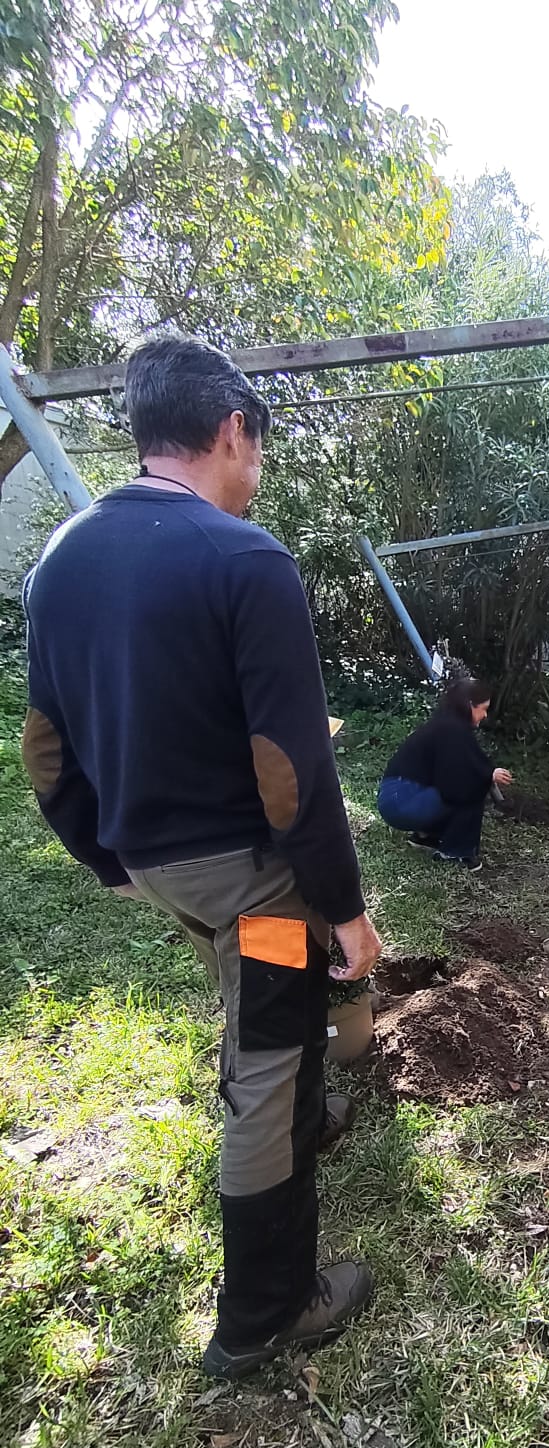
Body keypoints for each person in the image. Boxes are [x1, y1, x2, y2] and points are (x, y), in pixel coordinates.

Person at [22, 334, 382, 1380]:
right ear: (232, 430)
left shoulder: (61, 559)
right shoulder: (244, 557)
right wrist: (344, 908)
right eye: (256, 450)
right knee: (260, 1069)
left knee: (264, 1018)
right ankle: (266, 1312)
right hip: (250, 883)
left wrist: (105, 856)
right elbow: (288, 772)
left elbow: (43, 746)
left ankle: (316, 1109)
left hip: (156, 862)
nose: (255, 473)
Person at [377, 674, 512, 871]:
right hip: (403, 800)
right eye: (483, 709)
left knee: (461, 786)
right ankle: (455, 851)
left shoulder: (445, 725)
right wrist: (487, 775)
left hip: (395, 797)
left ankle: (426, 836)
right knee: (470, 789)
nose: (485, 716)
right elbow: (460, 779)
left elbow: (455, 768)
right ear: (469, 705)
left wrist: (485, 772)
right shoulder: (452, 729)